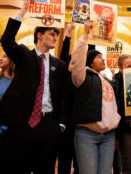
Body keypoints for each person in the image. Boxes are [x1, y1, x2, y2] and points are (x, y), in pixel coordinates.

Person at [0, 0, 70, 174]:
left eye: (56, 35)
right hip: (22, 123)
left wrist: (61, 124)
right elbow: (6, 41)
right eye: (52, 34)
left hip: (49, 125)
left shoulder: (60, 65)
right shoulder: (25, 55)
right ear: (39, 35)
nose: (55, 38)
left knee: (45, 170)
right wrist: (23, 9)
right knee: (14, 168)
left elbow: (64, 95)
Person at [71, 20, 120, 174]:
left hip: (109, 135)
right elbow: (77, 58)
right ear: (90, 62)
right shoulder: (82, 77)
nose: (103, 59)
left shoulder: (106, 81)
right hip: (87, 134)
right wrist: (85, 34)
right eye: (99, 57)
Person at [57, 22, 79, 174]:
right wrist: (68, 35)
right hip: (65, 126)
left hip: (80, 126)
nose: (73, 65)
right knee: (64, 163)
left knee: (79, 164)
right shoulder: (63, 75)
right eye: (71, 63)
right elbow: (63, 55)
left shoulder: (83, 79)